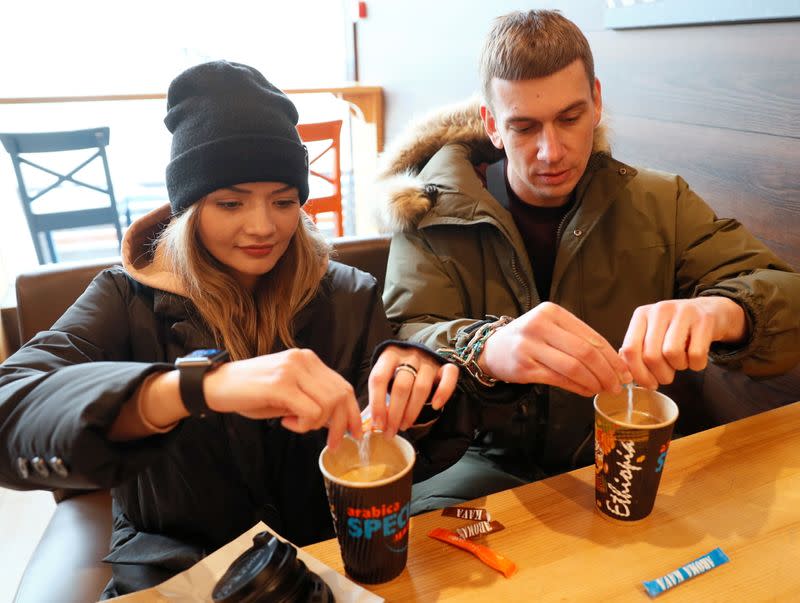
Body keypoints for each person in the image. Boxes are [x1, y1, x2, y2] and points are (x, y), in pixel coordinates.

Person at [0, 61, 464, 597]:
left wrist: (419, 397)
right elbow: (10, 406)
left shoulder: (349, 295)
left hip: (317, 568)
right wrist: (192, 387)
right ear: (189, 208)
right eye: (230, 202)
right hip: (174, 572)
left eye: (284, 201)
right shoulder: (124, 298)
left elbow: (383, 449)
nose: (264, 226)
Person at [376, 10, 800, 510]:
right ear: (492, 125)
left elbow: (781, 291)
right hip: (480, 460)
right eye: (524, 127)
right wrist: (486, 347)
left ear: (596, 102)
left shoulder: (660, 201)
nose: (551, 151)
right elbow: (406, 333)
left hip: (632, 443)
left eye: (570, 118)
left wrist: (727, 312)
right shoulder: (430, 213)